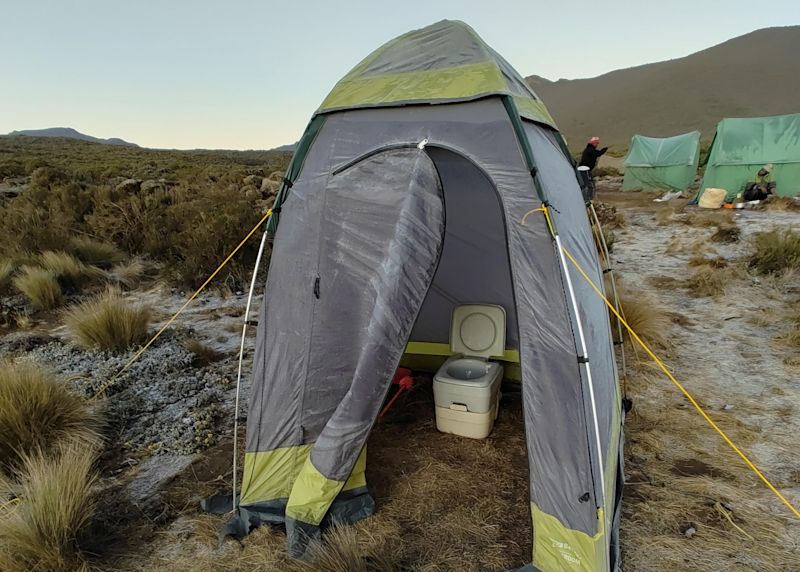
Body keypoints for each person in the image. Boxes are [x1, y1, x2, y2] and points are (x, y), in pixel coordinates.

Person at [578, 137, 609, 201]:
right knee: (589, 185)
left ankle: (588, 198)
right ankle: (588, 199)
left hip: (585, 169)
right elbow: (598, 153)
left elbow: (597, 153)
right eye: (596, 143)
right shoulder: (590, 150)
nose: (597, 145)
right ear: (593, 143)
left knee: (589, 184)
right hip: (585, 169)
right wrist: (604, 150)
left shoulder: (589, 149)